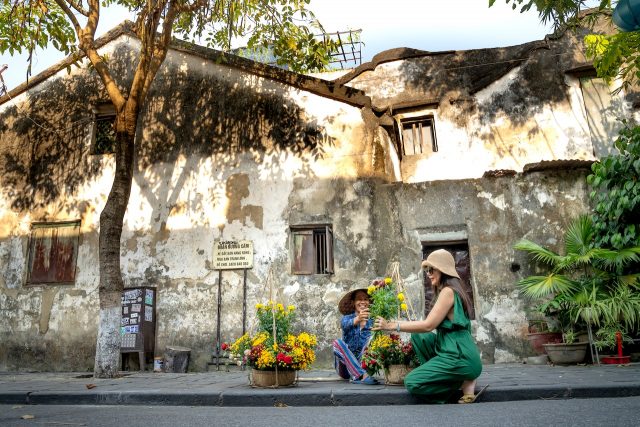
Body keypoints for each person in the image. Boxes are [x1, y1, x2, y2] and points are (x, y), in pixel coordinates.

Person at [373, 249, 485, 403]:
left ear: (443, 271)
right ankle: (455, 378)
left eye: (432, 269)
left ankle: (460, 382)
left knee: (412, 382)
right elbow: (425, 330)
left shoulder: (448, 292)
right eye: (427, 270)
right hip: (452, 350)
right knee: (420, 337)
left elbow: (428, 325)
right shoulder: (450, 291)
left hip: (459, 357)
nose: (429, 273)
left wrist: (391, 325)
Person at [333, 287, 380, 385]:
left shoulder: (373, 320)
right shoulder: (347, 318)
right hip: (345, 368)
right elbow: (344, 325)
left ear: (369, 302)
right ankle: (359, 375)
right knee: (337, 343)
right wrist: (357, 319)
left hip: (363, 364)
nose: (363, 302)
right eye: (359, 299)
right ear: (353, 302)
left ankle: (359, 375)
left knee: (372, 339)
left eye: (365, 299)